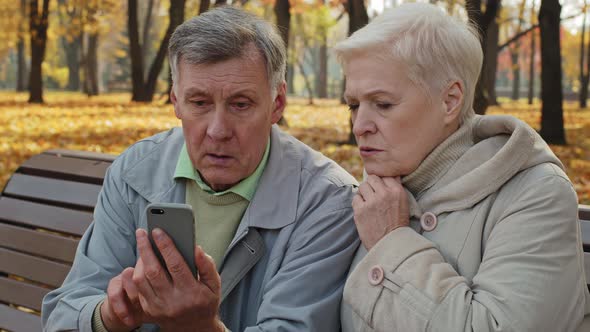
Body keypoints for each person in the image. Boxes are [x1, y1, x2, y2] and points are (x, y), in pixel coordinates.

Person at [42, 7, 359, 331]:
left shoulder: (326, 202)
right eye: (200, 103)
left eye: (240, 104)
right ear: (176, 101)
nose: (218, 130)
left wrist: (201, 326)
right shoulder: (134, 173)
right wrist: (110, 316)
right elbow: (65, 315)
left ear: (277, 103)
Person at [334, 3, 590, 331]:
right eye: (354, 105)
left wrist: (391, 241)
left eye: (383, 104)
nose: (359, 126)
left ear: (450, 101)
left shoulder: (537, 194)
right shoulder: (380, 189)